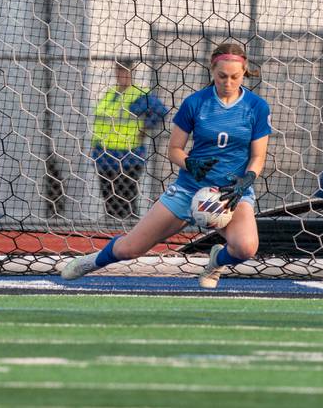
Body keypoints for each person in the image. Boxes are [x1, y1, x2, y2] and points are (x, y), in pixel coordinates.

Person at [62, 43, 271, 289]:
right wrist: (190, 164)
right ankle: (92, 261)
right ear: (212, 71)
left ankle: (216, 261)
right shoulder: (195, 103)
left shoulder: (256, 107)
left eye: (235, 77)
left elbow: (258, 155)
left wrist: (247, 180)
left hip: (230, 194)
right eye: (222, 76)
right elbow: (174, 149)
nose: (228, 82)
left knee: (246, 248)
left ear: (244, 72)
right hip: (188, 189)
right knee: (131, 249)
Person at [92, 59, 167, 219]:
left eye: (125, 71)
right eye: (118, 71)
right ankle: (112, 234)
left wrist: (144, 129)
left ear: (132, 72)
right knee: (109, 201)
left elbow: (160, 111)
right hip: (104, 155)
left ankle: (128, 235)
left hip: (128, 156)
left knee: (125, 200)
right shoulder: (111, 93)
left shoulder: (138, 95)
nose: (121, 75)